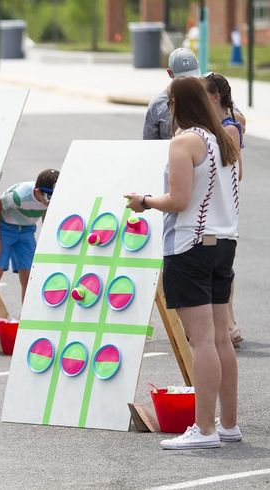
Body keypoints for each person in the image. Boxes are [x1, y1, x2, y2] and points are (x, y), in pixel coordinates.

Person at [125, 76, 241, 450]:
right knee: (220, 337)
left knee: (202, 339)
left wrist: (143, 200)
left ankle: (204, 428)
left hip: (190, 244)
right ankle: (228, 424)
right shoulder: (226, 138)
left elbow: (177, 200)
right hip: (224, 242)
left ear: (177, 105)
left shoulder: (184, 142)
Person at [0, 169, 60, 326]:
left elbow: (47, 213)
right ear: (37, 191)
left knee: (29, 276)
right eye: (47, 197)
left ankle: (26, 321)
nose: (50, 201)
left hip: (26, 230)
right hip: (4, 228)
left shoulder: (51, 197)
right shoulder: (19, 196)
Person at [201, 71, 245, 347]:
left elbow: (236, 171)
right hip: (209, 205)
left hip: (221, 208)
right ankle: (223, 323)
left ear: (215, 96)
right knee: (212, 265)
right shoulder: (209, 125)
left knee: (219, 265)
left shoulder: (229, 127)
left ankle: (228, 323)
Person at [143, 48, 201, 141]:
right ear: (170, 73)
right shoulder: (158, 105)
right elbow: (148, 144)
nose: (189, 83)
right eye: (183, 79)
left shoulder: (210, 96)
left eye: (193, 78)